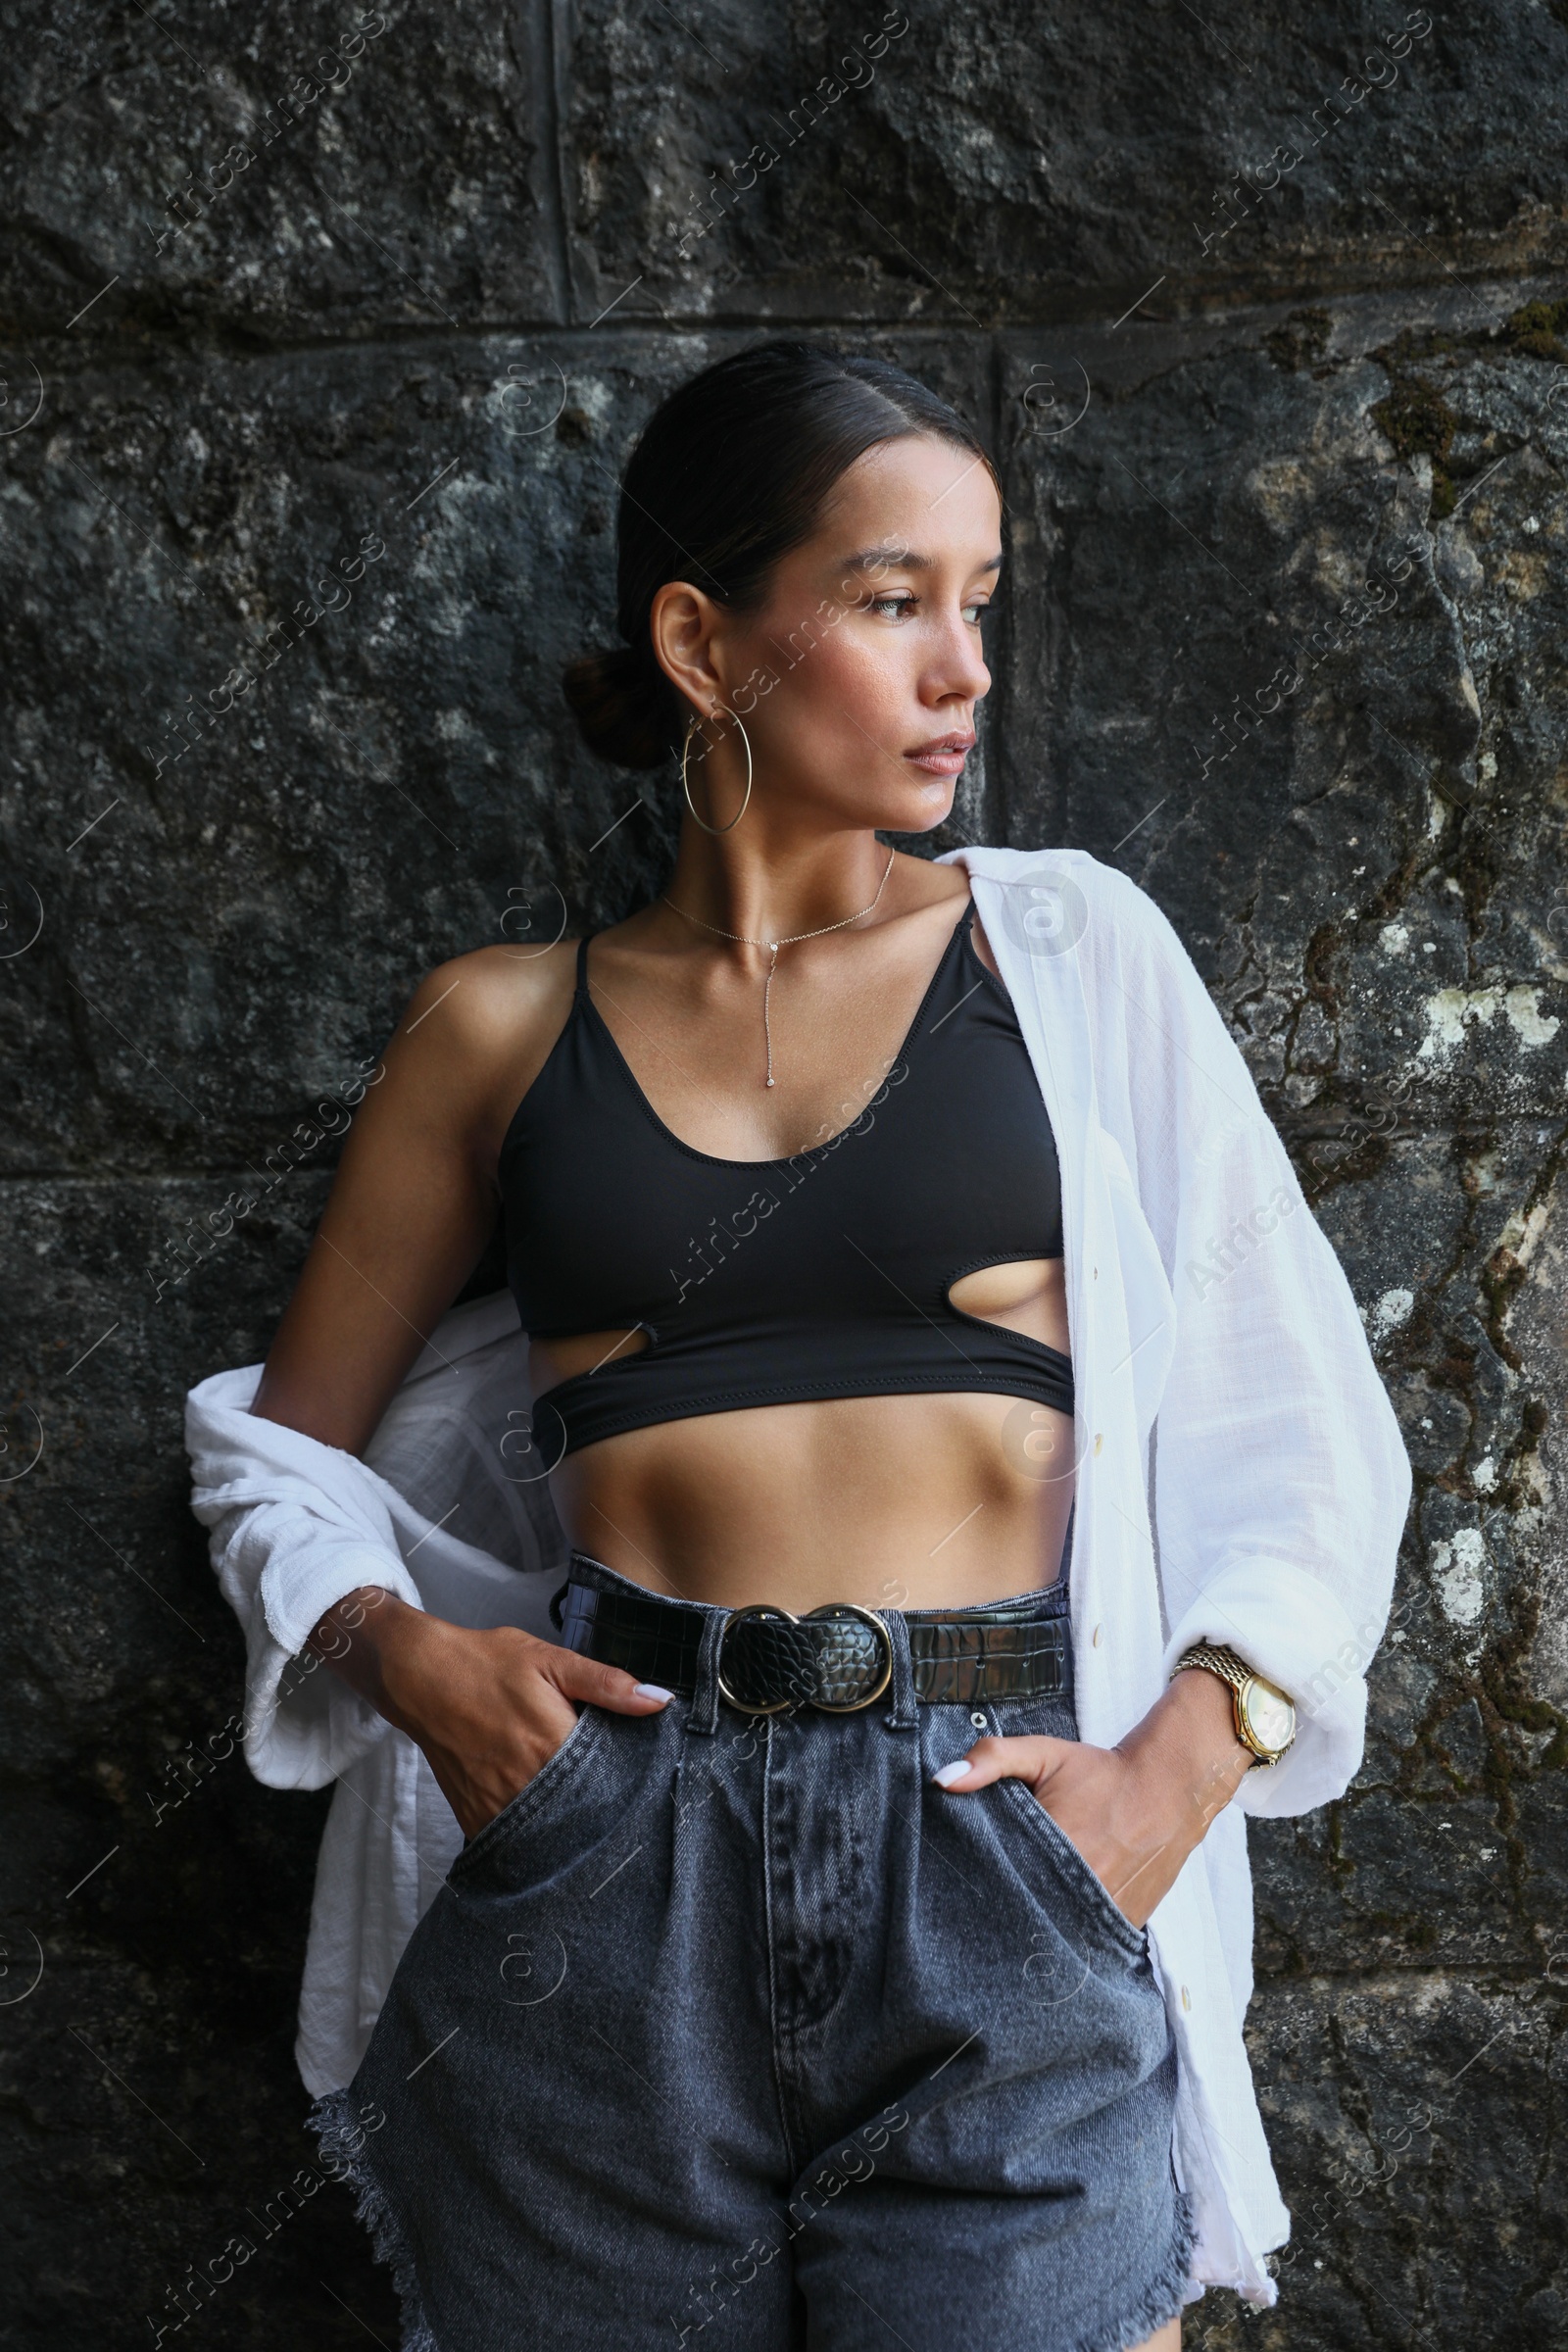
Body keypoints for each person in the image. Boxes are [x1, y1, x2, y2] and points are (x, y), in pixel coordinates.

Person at [237, 340, 1409, 2351]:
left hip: (999, 1833)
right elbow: (277, 1459)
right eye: (889, 601)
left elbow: (1298, 1418)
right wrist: (400, 1656)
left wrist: (1173, 1767)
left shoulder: (1061, 955)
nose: (961, 668)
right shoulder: (497, 1033)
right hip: (606, 1845)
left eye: (977, 603)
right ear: (703, 641)